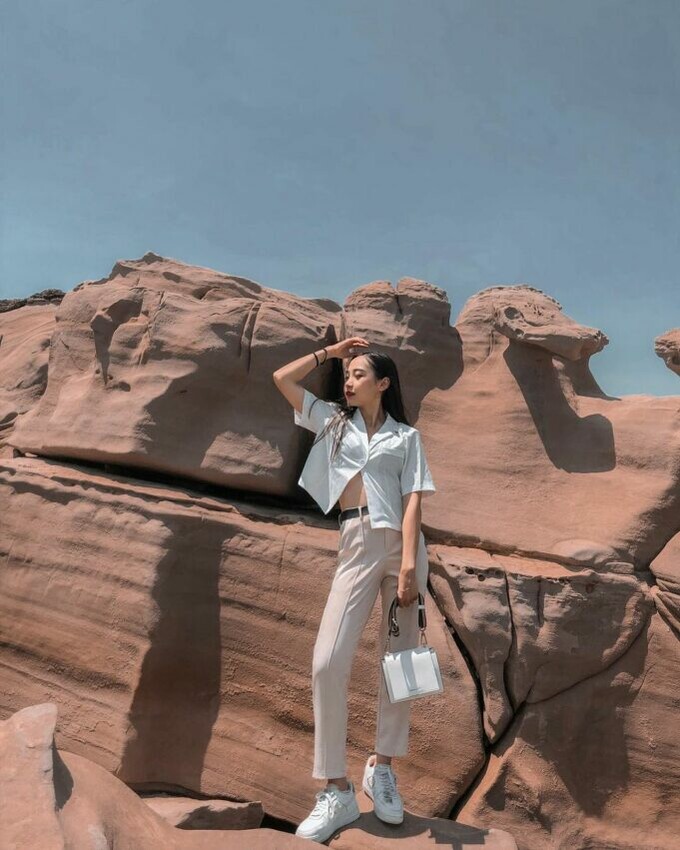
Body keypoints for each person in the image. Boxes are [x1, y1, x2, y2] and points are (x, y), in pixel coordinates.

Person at [272, 337, 436, 844]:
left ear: (383, 384)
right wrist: (333, 351)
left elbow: (414, 500)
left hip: (403, 547)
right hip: (355, 539)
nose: (349, 380)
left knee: (401, 663)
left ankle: (382, 768)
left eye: (359, 373)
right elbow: (282, 379)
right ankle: (336, 788)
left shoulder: (406, 437)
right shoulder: (332, 422)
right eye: (348, 374)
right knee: (327, 661)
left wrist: (408, 565)